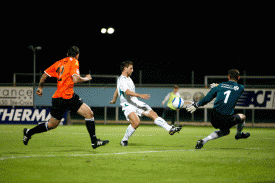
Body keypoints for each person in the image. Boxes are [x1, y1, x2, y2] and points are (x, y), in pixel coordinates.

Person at [23, 46, 109, 149]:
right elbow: (76, 79)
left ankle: (29, 132)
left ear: (67, 54)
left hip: (59, 98)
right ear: (77, 55)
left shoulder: (58, 63)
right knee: (89, 114)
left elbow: (44, 75)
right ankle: (94, 142)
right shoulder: (74, 61)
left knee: (52, 125)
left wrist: (40, 88)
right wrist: (86, 78)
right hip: (67, 97)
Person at [109, 61, 182, 146]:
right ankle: (124, 140)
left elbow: (117, 90)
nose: (132, 70)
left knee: (153, 114)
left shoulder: (128, 78)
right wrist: (140, 95)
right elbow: (127, 92)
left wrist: (114, 99)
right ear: (125, 68)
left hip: (136, 102)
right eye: (131, 68)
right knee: (136, 122)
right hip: (128, 105)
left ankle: (170, 129)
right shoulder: (122, 79)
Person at [186, 69, 250, 149]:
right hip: (226, 118)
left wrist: (197, 105)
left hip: (214, 117)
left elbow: (208, 97)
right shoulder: (241, 88)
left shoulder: (220, 86)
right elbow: (231, 88)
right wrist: (218, 85)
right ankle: (239, 134)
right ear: (239, 78)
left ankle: (203, 141)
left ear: (228, 76)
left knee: (226, 131)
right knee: (242, 116)